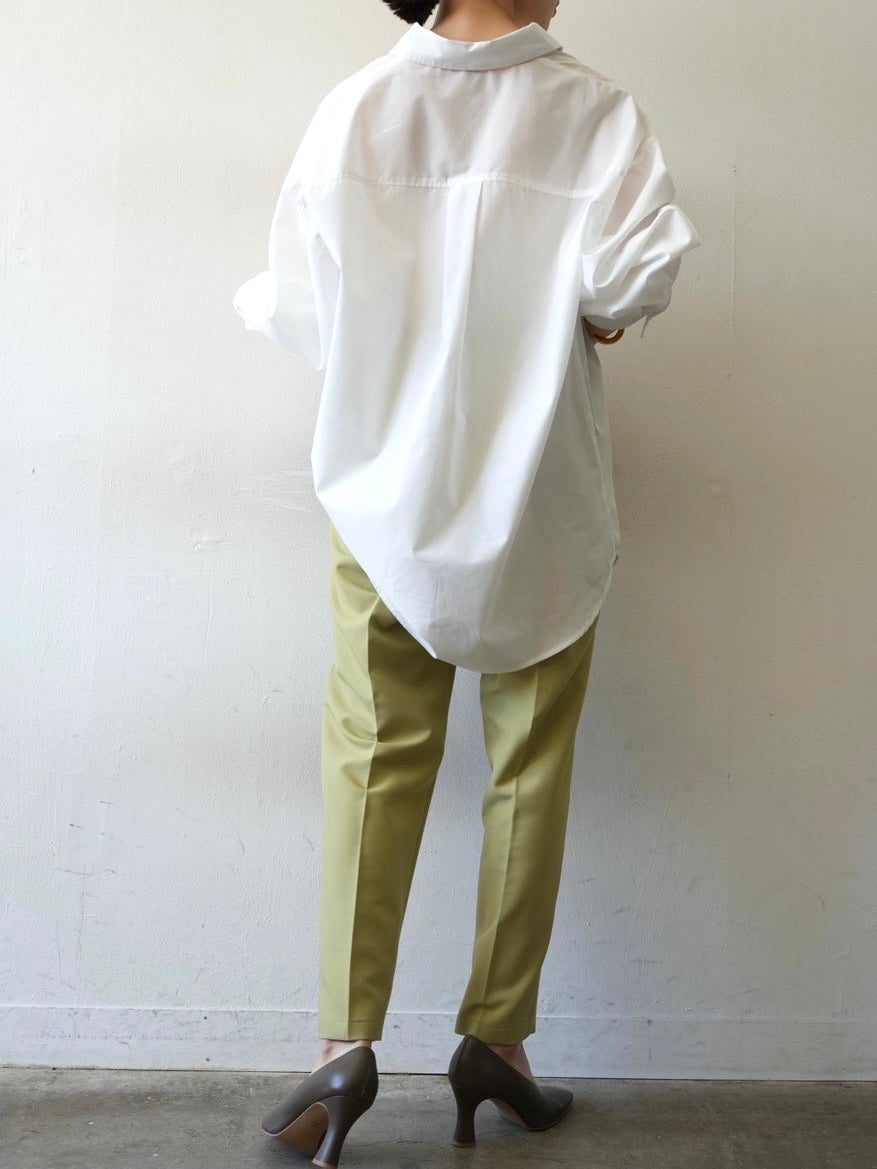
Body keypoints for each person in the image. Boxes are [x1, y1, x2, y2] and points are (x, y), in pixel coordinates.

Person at [233, 0, 700, 1163]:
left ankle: (342, 1048)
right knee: (528, 766)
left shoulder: (357, 111)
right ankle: (498, 1042)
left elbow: (299, 307)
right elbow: (628, 287)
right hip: (542, 496)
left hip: (384, 497)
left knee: (372, 757)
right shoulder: (594, 114)